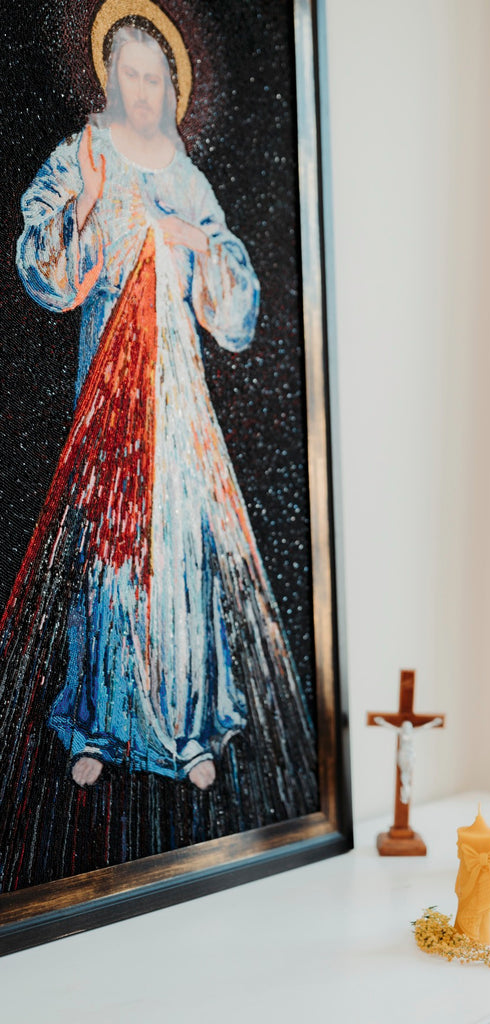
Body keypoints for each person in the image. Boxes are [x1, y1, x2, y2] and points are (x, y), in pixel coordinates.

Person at [3, 11, 317, 807]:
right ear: (110, 78)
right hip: (110, 385)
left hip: (176, 395)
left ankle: (186, 729)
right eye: (130, 75)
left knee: (176, 546)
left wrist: (196, 242)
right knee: (111, 550)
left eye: (154, 77)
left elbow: (233, 300)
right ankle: (100, 728)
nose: (142, 91)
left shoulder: (184, 175)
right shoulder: (84, 152)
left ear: (170, 87)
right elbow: (42, 266)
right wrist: (87, 203)